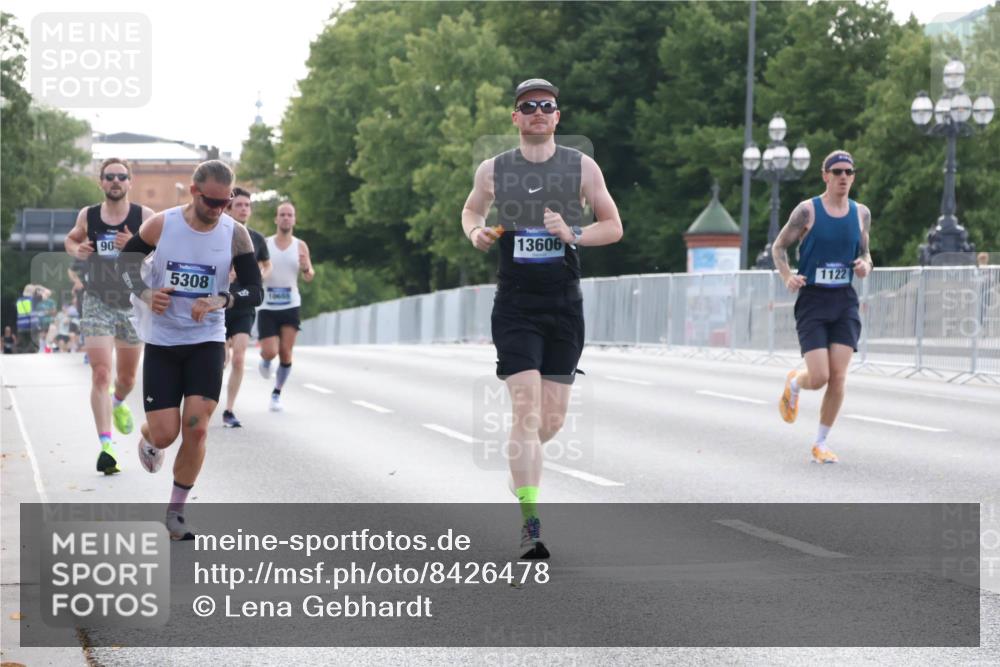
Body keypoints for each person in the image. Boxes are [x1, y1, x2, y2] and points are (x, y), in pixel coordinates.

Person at [461, 78, 623, 558]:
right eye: (527, 106)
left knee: (549, 420)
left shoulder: (581, 167)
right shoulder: (495, 170)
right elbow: (471, 211)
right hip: (515, 304)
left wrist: (572, 232)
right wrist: (476, 233)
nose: (537, 112)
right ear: (515, 117)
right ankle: (531, 523)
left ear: (557, 117)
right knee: (526, 410)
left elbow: (613, 226)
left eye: (546, 106)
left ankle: (521, 471)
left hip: (563, 305)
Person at [118, 159, 262, 540]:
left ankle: (176, 513)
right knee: (167, 433)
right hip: (164, 341)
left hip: (207, 340)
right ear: (195, 192)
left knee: (196, 428)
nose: (218, 210)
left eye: (225, 202)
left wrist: (224, 300)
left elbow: (254, 290)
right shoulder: (162, 225)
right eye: (211, 202)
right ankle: (149, 438)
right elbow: (124, 266)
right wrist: (147, 293)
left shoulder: (236, 235)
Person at [773, 150, 873, 464]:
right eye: (837, 171)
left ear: (853, 177)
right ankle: (795, 382)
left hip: (844, 300)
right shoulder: (807, 211)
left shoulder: (861, 213)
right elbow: (779, 247)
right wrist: (788, 275)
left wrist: (865, 266)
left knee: (839, 377)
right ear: (825, 175)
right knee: (819, 377)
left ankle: (821, 442)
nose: (844, 177)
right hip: (814, 300)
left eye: (849, 172)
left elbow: (868, 254)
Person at [65, 158, 154, 474]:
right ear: (101, 182)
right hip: (97, 300)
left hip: (132, 303)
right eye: (109, 176)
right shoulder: (88, 215)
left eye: (121, 176)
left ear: (130, 182)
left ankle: (118, 402)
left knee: (127, 379)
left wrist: (133, 245)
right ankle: (107, 447)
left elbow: (163, 252)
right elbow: (72, 238)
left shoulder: (145, 216)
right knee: (101, 373)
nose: (115, 181)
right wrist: (78, 250)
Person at [257, 201, 314, 412]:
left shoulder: (300, 246)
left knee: (286, 352)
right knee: (270, 352)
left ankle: (276, 393)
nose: (286, 218)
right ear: (276, 219)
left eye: (290, 215)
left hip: (290, 303)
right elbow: (258, 269)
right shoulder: (265, 243)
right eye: (282, 215)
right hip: (267, 305)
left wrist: (306, 267)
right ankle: (264, 361)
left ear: (294, 219)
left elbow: (309, 275)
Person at [221, 187, 271, 427]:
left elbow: (267, 264)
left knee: (239, 358)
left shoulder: (257, 239)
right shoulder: (220, 234)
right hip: (218, 304)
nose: (244, 209)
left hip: (243, 303)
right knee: (221, 359)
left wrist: (259, 274)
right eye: (239, 205)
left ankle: (229, 410)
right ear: (229, 208)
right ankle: (206, 398)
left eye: (247, 205)